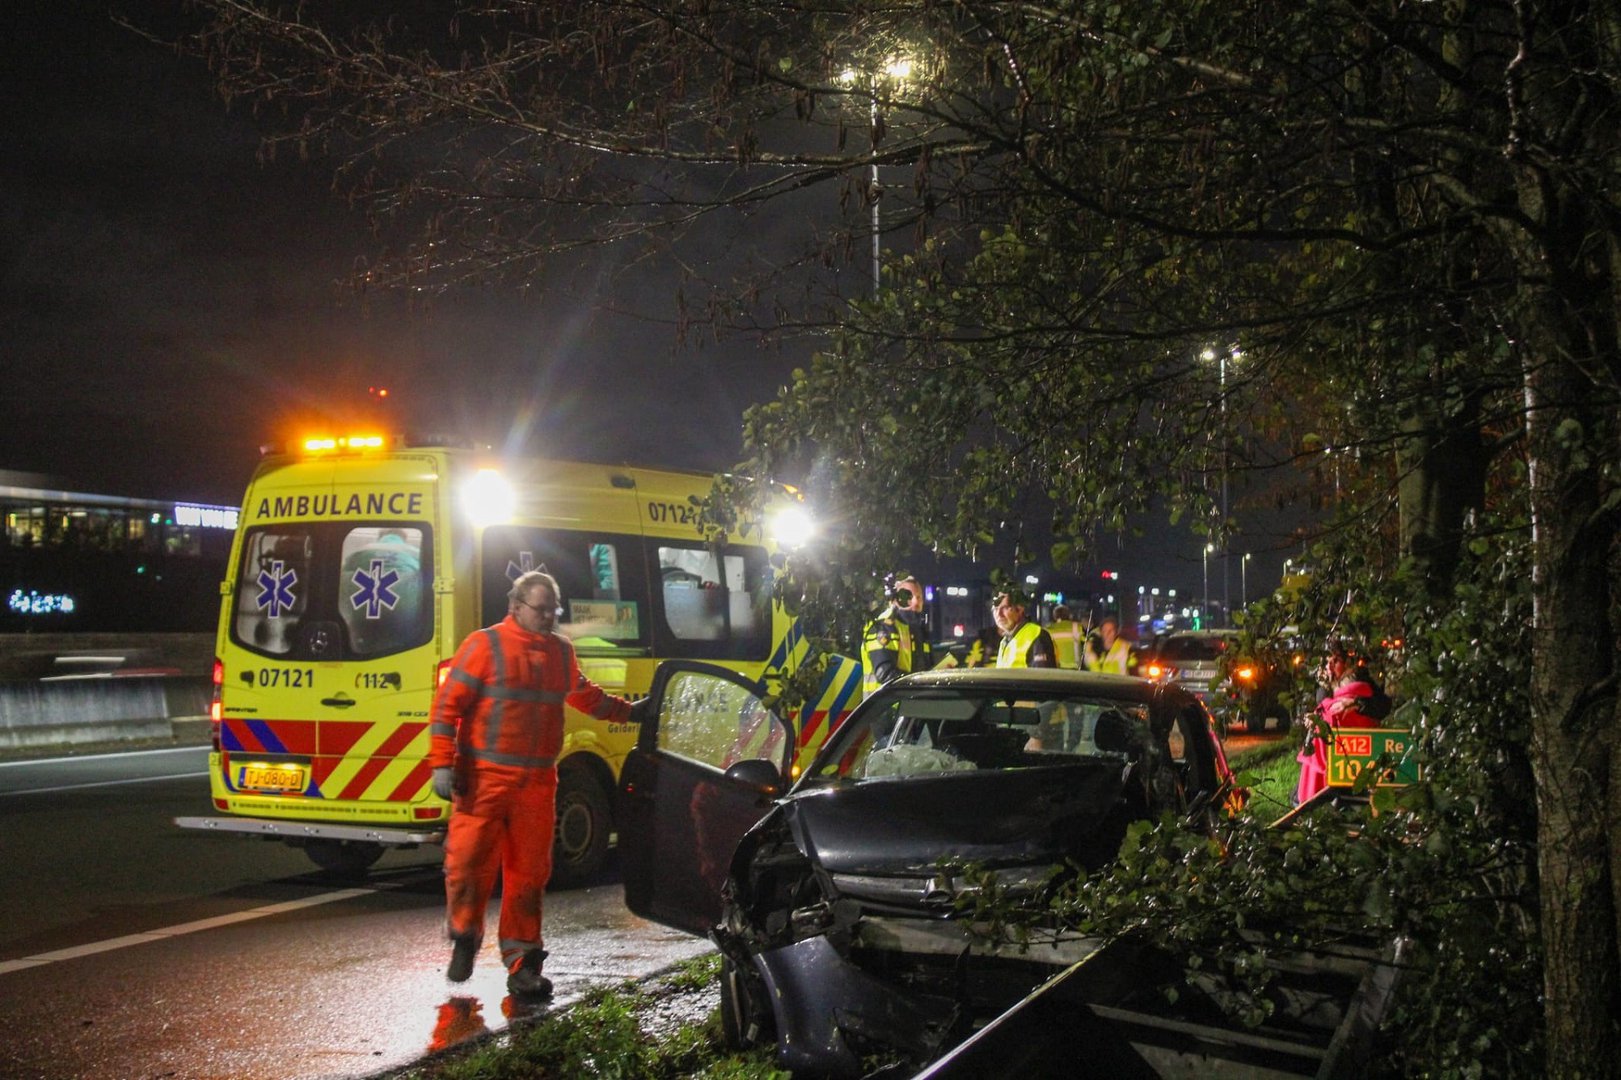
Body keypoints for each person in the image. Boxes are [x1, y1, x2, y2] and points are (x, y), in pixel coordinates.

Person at [428, 569, 632, 998]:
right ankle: (465, 936)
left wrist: (628, 712)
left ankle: (523, 963)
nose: (547, 618)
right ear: (516, 606)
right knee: (467, 867)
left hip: (536, 783)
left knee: (529, 876)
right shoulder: (484, 646)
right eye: (540, 610)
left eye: (553, 610)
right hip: (483, 780)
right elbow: (447, 707)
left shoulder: (561, 652)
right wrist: (441, 765)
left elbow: (584, 695)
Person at [1294, 644, 1387, 805]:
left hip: (1350, 754)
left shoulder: (1358, 684)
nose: (1330, 665)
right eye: (1327, 661)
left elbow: (1381, 705)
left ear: (1348, 664)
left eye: (1335, 661)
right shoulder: (1330, 687)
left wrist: (1354, 703)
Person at [861, 574, 933, 696]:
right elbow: (884, 673)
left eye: (919, 597)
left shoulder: (918, 629)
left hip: (910, 706)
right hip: (882, 708)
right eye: (908, 596)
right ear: (895, 599)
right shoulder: (883, 627)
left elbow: (926, 668)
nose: (916, 602)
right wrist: (919, 686)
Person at [992, 586, 1058, 668]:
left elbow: (1043, 678)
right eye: (995, 609)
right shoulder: (1005, 641)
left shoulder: (1037, 635)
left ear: (1020, 609)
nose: (999, 614)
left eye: (1005, 608)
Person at [1046, 604, 1086, 669]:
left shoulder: (1049, 629)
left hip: (1056, 667)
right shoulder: (1077, 627)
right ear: (1069, 615)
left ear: (1054, 616)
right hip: (1075, 667)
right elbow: (1086, 642)